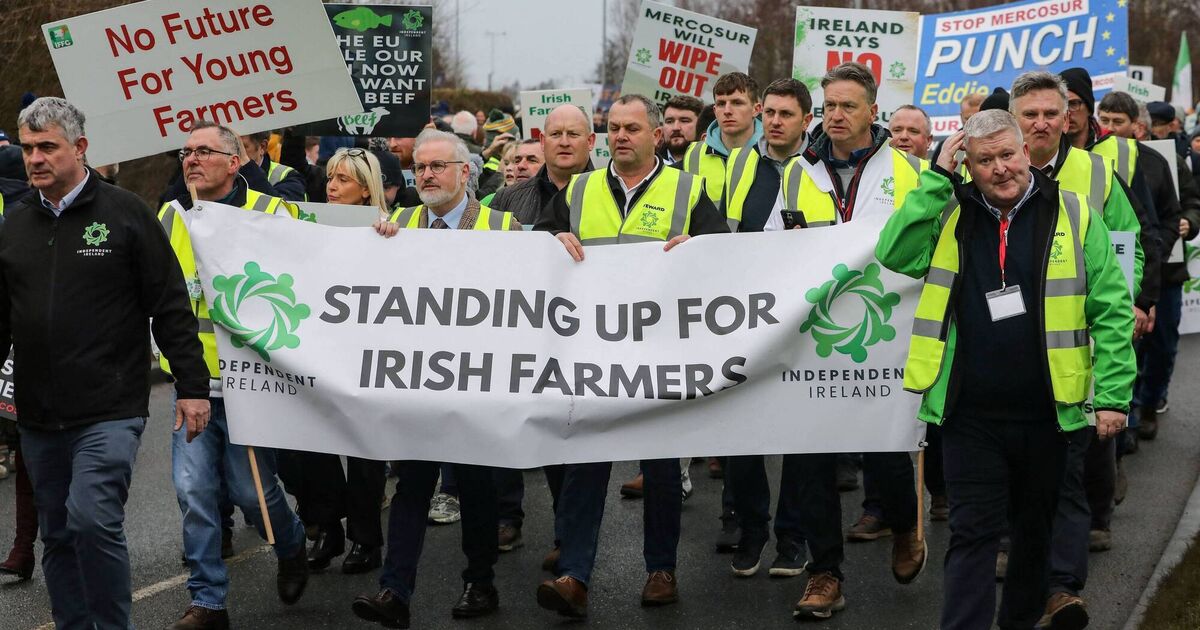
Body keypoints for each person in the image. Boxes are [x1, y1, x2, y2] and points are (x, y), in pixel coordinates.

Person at [876, 108, 1134, 630]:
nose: (1000, 169)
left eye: (1008, 155)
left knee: (1034, 533)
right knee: (972, 533)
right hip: (969, 413)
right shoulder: (947, 210)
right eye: (985, 160)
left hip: (1050, 412)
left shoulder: (1076, 213)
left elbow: (1111, 308)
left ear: (1026, 152)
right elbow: (895, 253)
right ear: (967, 164)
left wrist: (1112, 396)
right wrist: (936, 179)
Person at [4, 96, 211, 628]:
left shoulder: (126, 213)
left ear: (80, 147)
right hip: (39, 413)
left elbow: (170, 304)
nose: (35, 158)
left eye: (47, 147)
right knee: (57, 535)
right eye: (28, 148)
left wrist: (192, 386)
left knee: (92, 520)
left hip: (110, 407)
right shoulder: (15, 222)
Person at [533, 94, 728, 618]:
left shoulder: (687, 189)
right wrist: (554, 238)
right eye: (614, 127)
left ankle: (661, 571)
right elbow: (538, 246)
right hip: (593, 350)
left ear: (656, 135)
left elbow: (725, 256)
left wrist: (699, 251)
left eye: (632, 128)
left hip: (660, 350)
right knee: (585, 464)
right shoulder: (579, 189)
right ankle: (574, 575)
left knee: (661, 466)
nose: (621, 136)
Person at [770, 63, 928, 620]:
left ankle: (905, 525)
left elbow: (935, 244)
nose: (836, 115)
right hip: (815, 335)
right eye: (829, 106)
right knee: (810, 455)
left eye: (848, 106)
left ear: (872, 111)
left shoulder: (909, 171)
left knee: (885, 452)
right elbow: (768, 248)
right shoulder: (796, 172)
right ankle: (825, 573)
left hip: (887, 334)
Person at [352, 129, 518, 629]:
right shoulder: (398, 224)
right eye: (419, 167)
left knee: (477, 486)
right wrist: (373, 246)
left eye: (437, 166)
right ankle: (394, 591)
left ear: (465, 172)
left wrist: (556, 242)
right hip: (418, 381)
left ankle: (480, 582)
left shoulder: (501, 225)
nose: (426, 175)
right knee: (413, 484)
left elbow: (532, 290)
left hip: (478, 381)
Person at [159, 121, 308, 629]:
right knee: (193, 491)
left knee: (252, 494)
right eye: (186, 152)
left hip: (252, 383)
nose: (191, 159)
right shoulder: (171, 214)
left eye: (204, 151)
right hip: (193, 386)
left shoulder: (273, 212)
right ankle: (207, 600)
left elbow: (319, 270)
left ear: (235, 160)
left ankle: (291, 543)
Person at [487, 105, 594, 560]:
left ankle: (569, 541)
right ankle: (514, 519)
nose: (564, 141)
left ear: (591, 142)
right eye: (556, 134)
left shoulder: (609, 192)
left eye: (574, 133)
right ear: (542, 139)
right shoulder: (508, 199)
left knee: (577, 444)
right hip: (528, 334)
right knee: (526, 430)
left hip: (591, 336)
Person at [296, 147, 390, 578]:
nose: (331, 186)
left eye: (343, 179)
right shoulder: (310, 225)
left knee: (365, 451)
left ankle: (366, 540)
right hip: (320, 350)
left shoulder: (390, 228)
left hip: (369, 354)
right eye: (330, 177)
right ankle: (329, 526)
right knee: (311, 445)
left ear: (366, 189)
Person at [681, 72, 763, 204]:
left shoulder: (773, 152)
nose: (727, 111)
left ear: (756, 109)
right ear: (715, 110)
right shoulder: (693, 155)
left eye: (737, 103)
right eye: (721, 104)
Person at [240, 131, 307, 201]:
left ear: (262, 147)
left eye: (240, 148)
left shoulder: (289, 178)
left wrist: (248, 168)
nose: (234, 153)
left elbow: (281, 206)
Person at [659, 95, 704, 165]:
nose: (676, 128)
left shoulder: (713, 163)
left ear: (700, 125)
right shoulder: (649, 161)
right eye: (669, 121)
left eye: (684, 121)